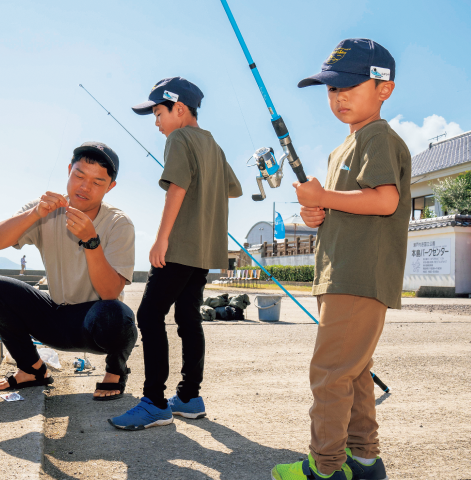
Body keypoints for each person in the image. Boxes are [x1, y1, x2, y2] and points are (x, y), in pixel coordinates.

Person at [271, 39, 410, 480]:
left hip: (357, 275)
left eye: (351, 85)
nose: (339, 96)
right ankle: (364, 461)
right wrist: (318, 212)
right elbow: (350, 205)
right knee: (354, 372)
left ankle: (325, 468)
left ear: (384, 89)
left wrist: (325, 196)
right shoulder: (341, 149)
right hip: (341, 274)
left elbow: (386, 200)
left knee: (330, 374)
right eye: (331, 89)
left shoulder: (377, 136)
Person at [110, 77, 242, 430]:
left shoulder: (179, 137)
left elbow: (177, 188)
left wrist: (161, 239)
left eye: (158, 113)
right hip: (204, 250)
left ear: (179, 109)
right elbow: (232, 188)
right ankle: (188, 397)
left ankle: (154, 401)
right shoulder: (212, 143)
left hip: (181, 246)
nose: (156, 122)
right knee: (188, 319)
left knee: (149, 316)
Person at [0, 141, 138, 400]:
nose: (85, 187)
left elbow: (110, 291)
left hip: (95, 324)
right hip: (54, 317)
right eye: (79, 175)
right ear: (68, 171)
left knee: (118, 314)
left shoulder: (118, 223)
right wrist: (34, 214)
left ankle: (116, 372)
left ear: (111, 187)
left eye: (98, 182)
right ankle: (32, 369)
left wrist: (91, 241)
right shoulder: (45, 210)